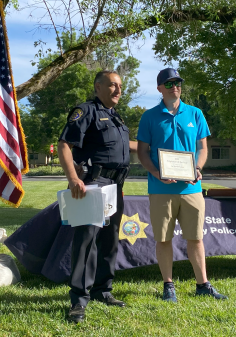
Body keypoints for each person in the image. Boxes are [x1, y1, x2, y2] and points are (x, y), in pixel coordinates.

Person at [136, 68, 227, 302]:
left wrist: (198, 168)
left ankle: (202, 284)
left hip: (191, 189)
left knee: (196, 238)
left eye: (177, 82)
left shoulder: (195, 114)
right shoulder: (149, 116)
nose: (174, 86)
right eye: (169, 83)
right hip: (160, 189)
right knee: (163, 239)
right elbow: (143, 152)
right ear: (159, 88)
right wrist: (157, 173)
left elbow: (202, 148)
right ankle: (168, 286)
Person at [58, 70, 137, 323]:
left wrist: (157, 147)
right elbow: (64, 144)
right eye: (112, 85)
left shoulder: (116, 118)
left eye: (120, 86)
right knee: (86, 242)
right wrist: (73, 178)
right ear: (98, 87)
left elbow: (126, 146)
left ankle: (104, 290)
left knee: (110, 239)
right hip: (94, 182)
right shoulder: (86, 111)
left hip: (116, 184)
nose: (118, 90)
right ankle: (79, 300)